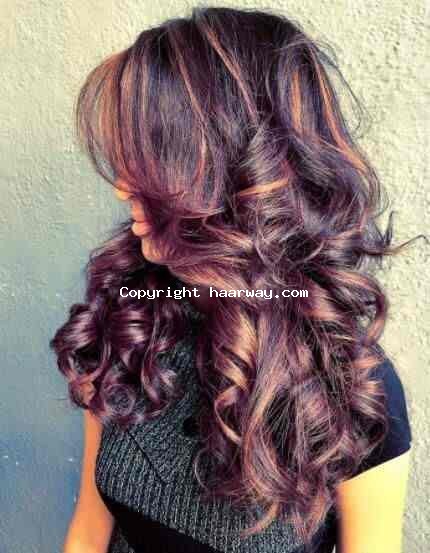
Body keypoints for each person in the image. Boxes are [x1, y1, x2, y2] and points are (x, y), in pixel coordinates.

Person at [50, 6, 417, 553]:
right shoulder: (131, 318)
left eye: (155, 158)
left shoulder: (353, 392)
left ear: (242, 172)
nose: (123, 186)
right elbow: (88, 529)